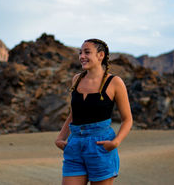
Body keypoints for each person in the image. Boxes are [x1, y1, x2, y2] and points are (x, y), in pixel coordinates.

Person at [55, 38, 133, 185]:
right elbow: (74, 114)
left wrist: (115, 142)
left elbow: (127, 119)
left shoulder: (115, 82)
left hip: (100, 145)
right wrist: (60, 138)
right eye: (80, 52)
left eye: (87, 52)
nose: (82, 56)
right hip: (75, 144)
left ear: (100, 55)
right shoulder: (76, 79)